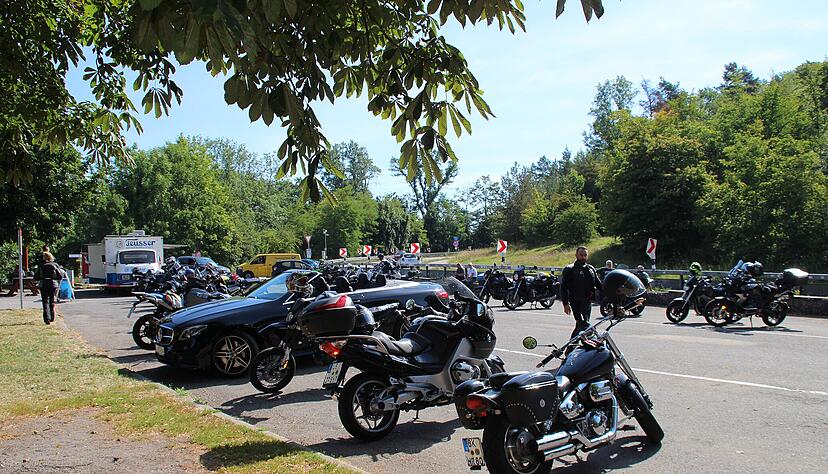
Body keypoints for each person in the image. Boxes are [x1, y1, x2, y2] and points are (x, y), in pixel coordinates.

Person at [560, 246, 602, 339]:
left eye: (585, 255)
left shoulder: (590, 269)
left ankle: (577, 344)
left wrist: (610, 294)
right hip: (576, 302)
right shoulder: (570, 269)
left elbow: (599, 285)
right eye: (581, 255)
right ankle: (574, 344)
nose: (583, 257)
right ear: (576, 255)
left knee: (582, 325)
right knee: (583, 324)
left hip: (587, 302)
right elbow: (563, 287)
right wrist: (565, 303)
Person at [34, 252, 62, 325]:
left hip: (43, 284)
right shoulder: (55, 265)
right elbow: (59, 276)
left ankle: (47, 318)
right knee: (52, 301)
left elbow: (36, 277)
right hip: (53, 284)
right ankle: (52, 317)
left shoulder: (41, 265)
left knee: (45, 301)